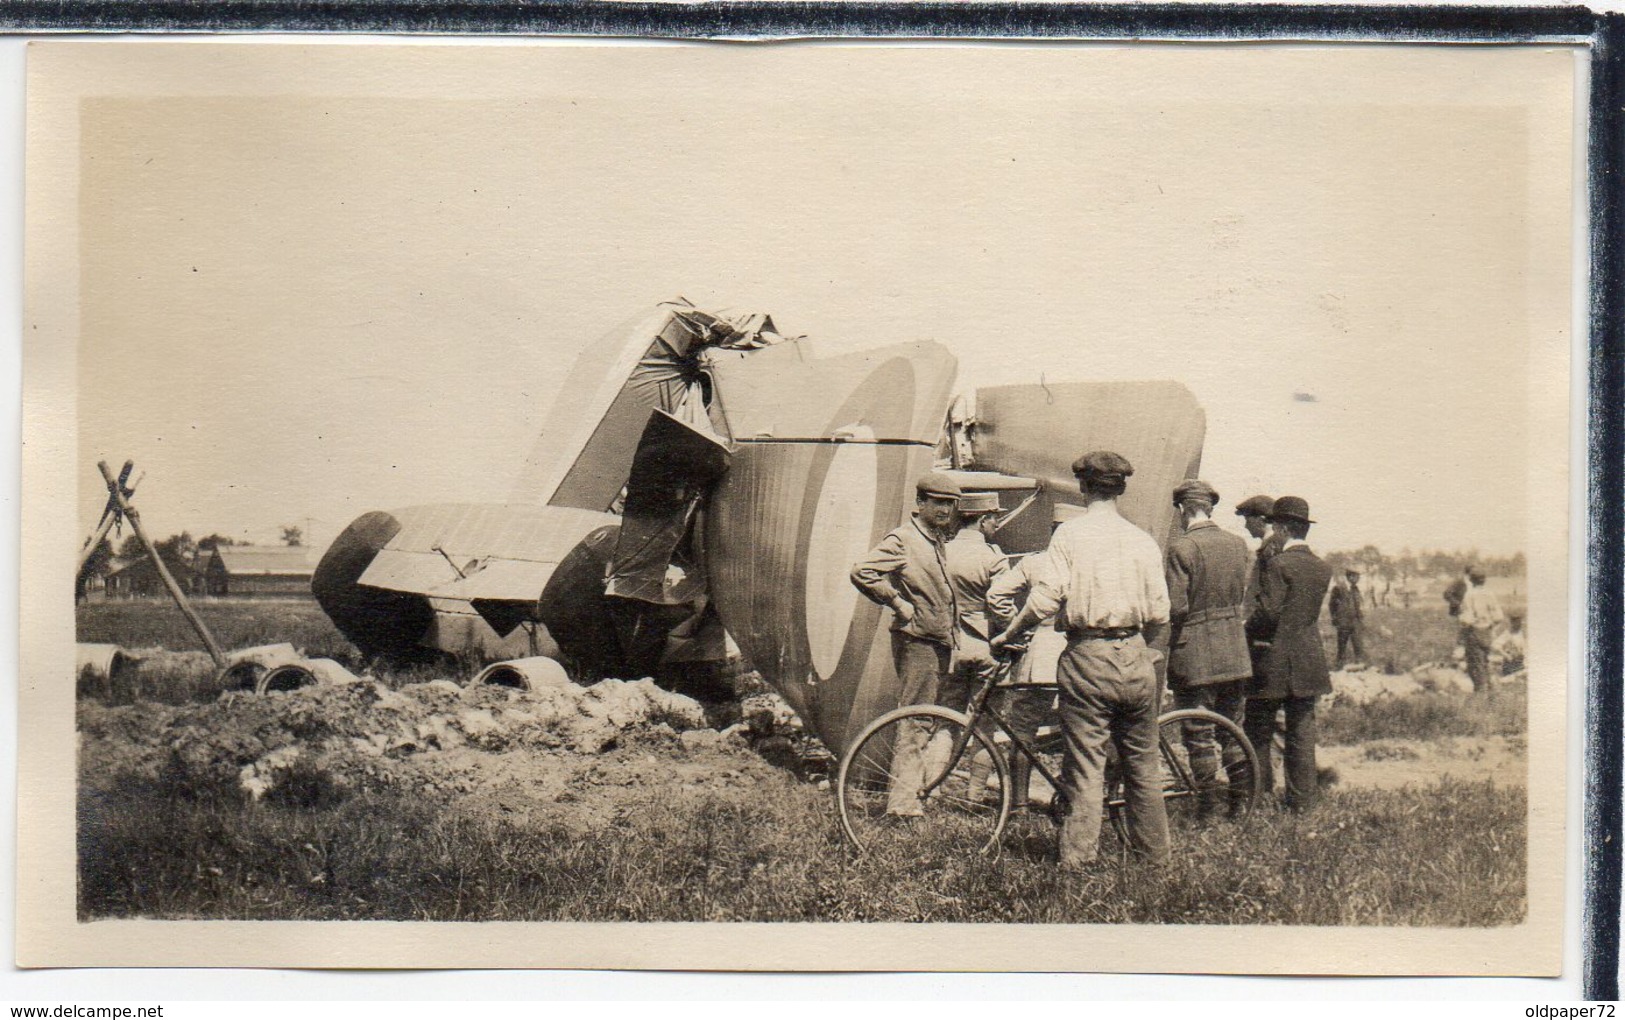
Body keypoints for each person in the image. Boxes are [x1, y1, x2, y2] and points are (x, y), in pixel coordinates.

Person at [992, 451, 1171, 869]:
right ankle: (1155, 862)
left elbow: (1044, 601)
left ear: (1083, 486)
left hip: (1088, 655)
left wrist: (1008, 633)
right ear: (1121, 488)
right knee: (1143, 765)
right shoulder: (1142, 539)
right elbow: (1161, 611)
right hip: (1136, 655)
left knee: (1087, 763)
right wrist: (1147, 650)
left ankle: (1078, 863)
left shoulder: (1071, 536)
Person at [850, 471, 962, 816]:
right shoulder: (904, 538)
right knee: (915, 720)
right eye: (938, 502)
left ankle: (913, 797)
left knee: (925, 720)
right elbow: (862, 571)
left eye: (950, 504)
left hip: (937, 642)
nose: (945, 510)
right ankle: (902, 806)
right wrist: (898, 603)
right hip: (918, 642)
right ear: (921, 503)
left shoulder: (935, 539)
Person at [1164, 479, 1253, 818]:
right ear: (1210, 506)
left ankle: (1207, 809)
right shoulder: (1237, 544)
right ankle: (1242, 804)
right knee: (1232, 727)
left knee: (1199, 732)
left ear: (1182, 509)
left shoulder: (1181, 548)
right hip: (1233, 649)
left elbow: (1176, 607)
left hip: (1195, 652)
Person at [986, 502, 1082, 810]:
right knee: (1079, 731)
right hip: (1080, 655)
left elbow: (996, 595)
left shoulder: (1035, 562)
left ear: (1052, 530)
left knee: (1023, 729)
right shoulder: (1092, 565)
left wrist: (1015, 627)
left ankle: (1019, 805)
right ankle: (1075, 801)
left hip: (1038, 656)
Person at [1243, 496, 1333, 813]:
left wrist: (1245, 627)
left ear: (1281, 527)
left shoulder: (1279, 565)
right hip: (1309, 660)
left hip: (1273, 660)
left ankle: (1257, 799)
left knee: (1258, 731)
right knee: (1302, 734)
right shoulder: (1323, 568)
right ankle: (1303, 804)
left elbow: (1267, 614)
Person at [942, 490, 1009, 710]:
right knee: (983, 721)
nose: (996, 524)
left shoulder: (941, 552)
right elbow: (1002, 604)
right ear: (982, 520)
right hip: (985, 644)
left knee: (945, 718)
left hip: (949, 644)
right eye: (994, 518)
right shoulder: (993, 556)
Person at [1458, 566, 1504, 692]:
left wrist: (1464, 626)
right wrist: (1490, 625)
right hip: (1487, 632)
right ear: (1484, 580)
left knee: (1475, 665)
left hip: (1474, 633)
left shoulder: (1469, 595)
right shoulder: (1490, 594)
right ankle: (1492, 691)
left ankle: (1481, 694)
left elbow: (1466, 619)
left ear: (1471, 580)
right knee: (1485, 661)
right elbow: (1499, 616)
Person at [1328, 568, 1366, 669]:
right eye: (1355, 577)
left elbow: (1358, 605)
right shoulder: (1338, 588)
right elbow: (1332, 605)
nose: (1357, 579)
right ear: (1350, 577)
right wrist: (1335, 619)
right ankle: (1339, 666)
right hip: (1343, 622)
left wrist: (1360, 620)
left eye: (1358, 577)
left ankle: (1360, 666)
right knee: (1342, 646)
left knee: (1358, 645)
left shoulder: (1356, 589)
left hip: (1355, 622)